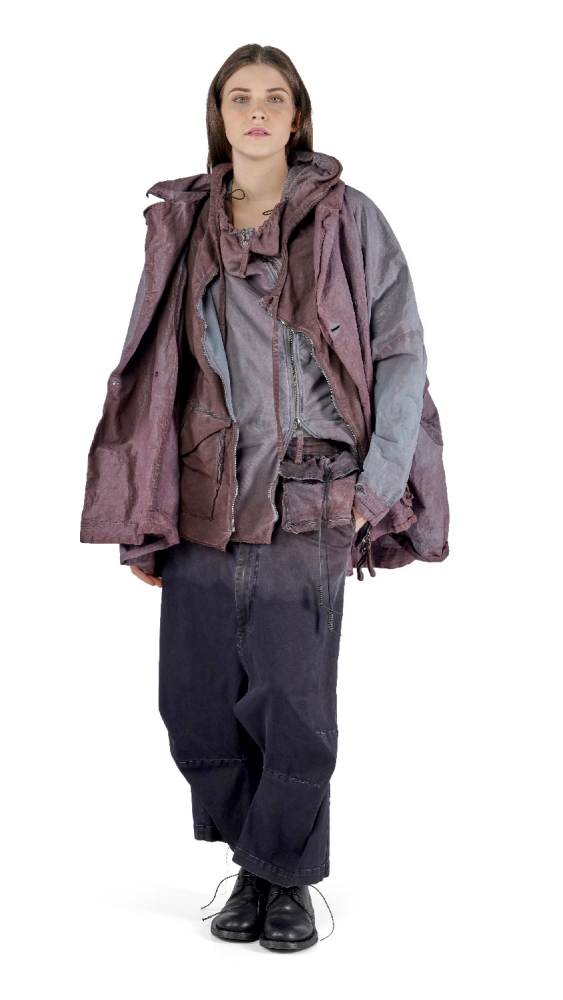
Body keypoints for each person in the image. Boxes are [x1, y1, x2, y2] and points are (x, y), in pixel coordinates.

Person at [80, 44, 449, 951]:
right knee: (195, 703)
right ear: (219, 115)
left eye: (273, 98)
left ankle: (281, 879)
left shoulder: (349, 219)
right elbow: (151, 368)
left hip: (312, 490)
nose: (256, 111)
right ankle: (256, 857)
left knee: (293, 700)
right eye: (239, 97)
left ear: (296, 117)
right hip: (202, 493)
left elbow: (400, 350)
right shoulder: (184, 225)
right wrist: (143, 514)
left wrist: (371, 489)